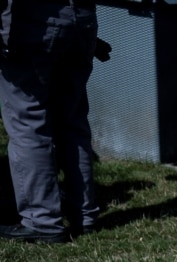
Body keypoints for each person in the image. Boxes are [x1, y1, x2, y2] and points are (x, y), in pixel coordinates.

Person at [0, 0, 100, 243]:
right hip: (80, 19)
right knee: (72, 122)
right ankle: (84, 214)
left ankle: (42, 219)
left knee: (28, 122)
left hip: (36, 23)